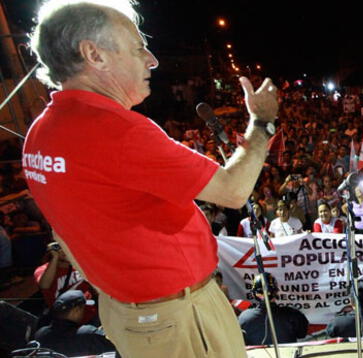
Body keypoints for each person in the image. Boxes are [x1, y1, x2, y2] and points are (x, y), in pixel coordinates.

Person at [25, 1, 278, 356]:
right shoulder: (115, 131)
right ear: (93, 54)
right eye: (137, 47)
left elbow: (64, 233)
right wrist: (262, 123)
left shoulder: (40, 134)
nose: (152, 60)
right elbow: (234, 190)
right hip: (175, 316)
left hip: (131, 312)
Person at [34, 290, 117, 357]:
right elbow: (120, 347)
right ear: (76, 311)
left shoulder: (41, 334)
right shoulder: (88, 334)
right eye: (82, 309)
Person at [34, 242, 98, 324]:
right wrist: (55, 258)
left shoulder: (80, 265)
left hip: (89, 312)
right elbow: (44, 285)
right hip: (65, 317)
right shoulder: (43, 270)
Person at [238, 273, 308, 345]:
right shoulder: (293, 314)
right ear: (276, 292)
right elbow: (302, 334)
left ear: (254, 294)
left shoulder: (244, 317)